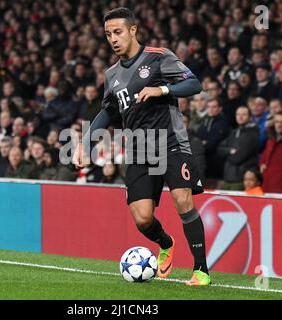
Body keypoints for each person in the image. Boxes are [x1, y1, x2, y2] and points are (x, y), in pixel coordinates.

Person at [73, 8, 210, 286]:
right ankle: (166, 243)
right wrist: (86, 143)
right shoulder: (111, 75)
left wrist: (163, 90)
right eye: (108, 34)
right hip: (139, 151)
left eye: (118, 32)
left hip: (171, 142)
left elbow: (193, 84)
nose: (113, 38)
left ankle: (201, 270)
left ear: (133, 30)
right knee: (143, 219)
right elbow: (108, 113)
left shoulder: (159, 57)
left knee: (183, 200)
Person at [217, 106, 259, 190]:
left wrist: (227, 153)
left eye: (244, 114)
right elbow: (219, 149)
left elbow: (238, 157)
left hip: (240, 180)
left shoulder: (252, 134)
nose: (240, 117)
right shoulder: (234, 132)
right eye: (238, 114)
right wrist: (230, 151)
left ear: (250, 117)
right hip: (228, 178)